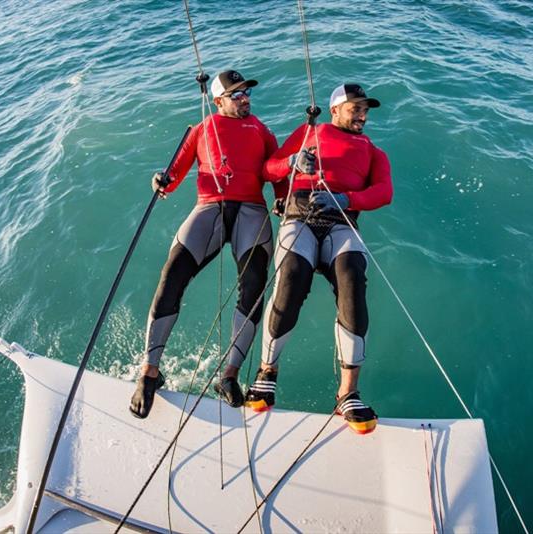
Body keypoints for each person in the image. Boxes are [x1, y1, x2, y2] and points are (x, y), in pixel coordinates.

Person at [130, 70, 283, 418]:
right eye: (236, 94)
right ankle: (150, 372)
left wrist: (282, 197)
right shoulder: (201, 130)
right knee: (172, 275)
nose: (244, 98)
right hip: (209, 207)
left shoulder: (262, 130)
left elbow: (274, 171)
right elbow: (172, 178)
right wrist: (161, 181)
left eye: (246, 92)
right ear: (218, 102)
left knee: (254, 286)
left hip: (252, 211)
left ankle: (229, 375)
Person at [246, 83, 393, 435]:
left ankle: (348, 393)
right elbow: (269, 168)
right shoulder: (310, 131)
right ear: (335, 110)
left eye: (365, 109)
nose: (362, 115)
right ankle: (268, 372)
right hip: (300, 217)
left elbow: (384, 192)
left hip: (342, 221)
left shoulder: (374, 151)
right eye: (355, 108)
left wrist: (347, 200)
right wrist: (292, 163)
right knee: (292, 276)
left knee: (352, 280)